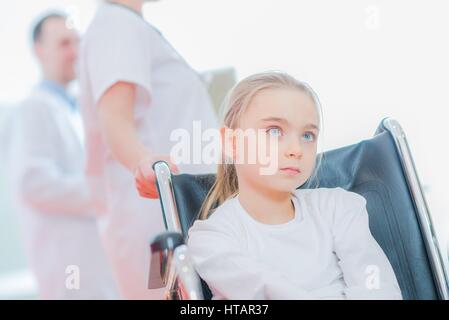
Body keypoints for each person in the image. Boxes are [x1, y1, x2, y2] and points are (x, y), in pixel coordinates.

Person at [187, 71, 403, 300]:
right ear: (232, 142)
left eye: (308, 135)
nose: (296, 149)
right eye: (274, 131)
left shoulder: (339, 208)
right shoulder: (213, 238)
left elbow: (378, 289)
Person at [78, 0, 218, 299]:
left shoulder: (128, 23)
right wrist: (144, 162)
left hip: (172, 209)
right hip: (157, 211)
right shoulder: (116, 23)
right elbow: (114, 116)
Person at [8, 12, 117, 299]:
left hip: (93, 263)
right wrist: (105, 192)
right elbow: (34, 183)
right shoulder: (34, 109)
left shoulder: (76, 109)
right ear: (39, 50)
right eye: (64, 44)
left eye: (77, 42)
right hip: (68, 267)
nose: (74, 52)